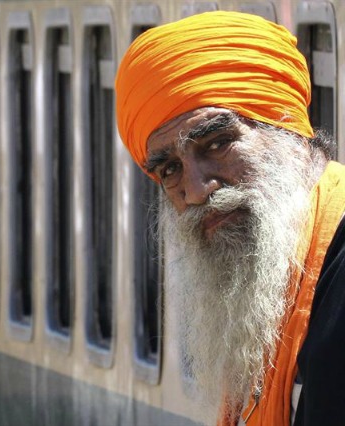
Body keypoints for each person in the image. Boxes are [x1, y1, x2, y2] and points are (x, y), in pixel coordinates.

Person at [115, 11, 345, 426]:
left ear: (285, 127)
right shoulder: (270, 278)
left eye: (218, 143)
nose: (198, 189)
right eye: (170, 170)